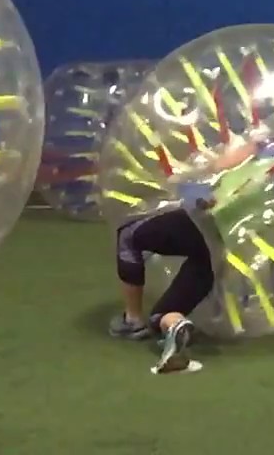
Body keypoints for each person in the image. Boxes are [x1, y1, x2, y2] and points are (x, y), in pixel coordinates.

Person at [108, 135, 261, 373]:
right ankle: (176, 325)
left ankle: (133, 320)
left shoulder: (258, 148)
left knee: (128, 235)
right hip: (218, 251)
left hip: (200, 226)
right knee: (162, 314)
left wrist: (197, 167)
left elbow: (214, 173)